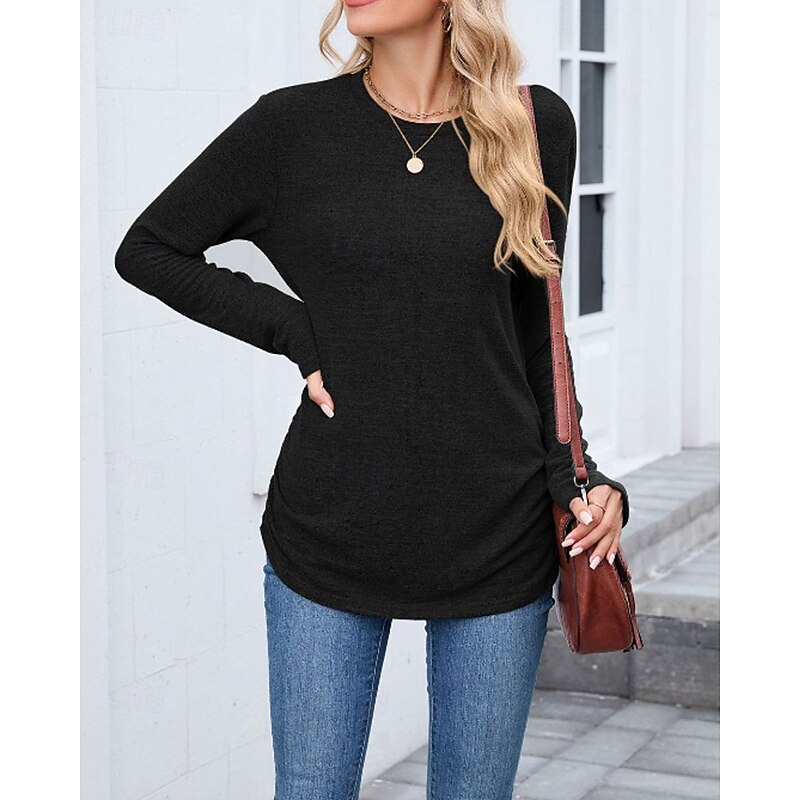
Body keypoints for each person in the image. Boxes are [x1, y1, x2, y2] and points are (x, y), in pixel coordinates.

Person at [114, 1, 630, 798]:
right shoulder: (290, 128)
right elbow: (149, 247)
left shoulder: (532, 125)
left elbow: (537, 330)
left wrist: (580, 476)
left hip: (498, 528)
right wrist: (297, 331)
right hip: (332, 528)